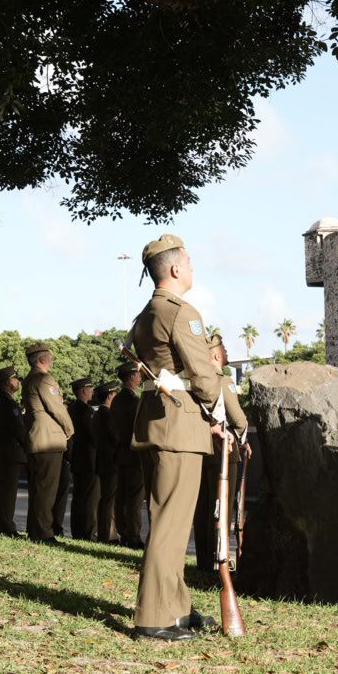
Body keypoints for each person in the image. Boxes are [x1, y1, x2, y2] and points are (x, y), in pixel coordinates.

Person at [128, 233, 225, 641]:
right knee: (170, 524)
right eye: (188, 261)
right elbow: (203, 375)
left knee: (168, 517)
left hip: (157, 420)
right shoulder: (182, 312)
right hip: (181, 426)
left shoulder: (147, 313)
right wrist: (219, 415)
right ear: (174, 268)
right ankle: (153, 615)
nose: (192, 267)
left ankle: (177, 605)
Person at [192, 333, 248, 574]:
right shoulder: (224, 382)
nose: (225, 352)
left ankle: (204, 560)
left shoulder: (194, 382)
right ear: (215, 354)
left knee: (203, 507)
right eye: (223, 348)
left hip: (200, 448)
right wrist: (244, 438)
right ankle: (219, 560)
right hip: (223, 449)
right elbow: (238, 419)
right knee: (222, 508)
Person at [23, 342, 74, 541]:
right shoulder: (44, 379)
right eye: (49, 357)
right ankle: (44, 532)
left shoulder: (29, 379)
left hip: (36, 439)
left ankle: (35, 530)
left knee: (38, 489)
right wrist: (70, 430)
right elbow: (57, 409)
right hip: (48, 440)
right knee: (47, 490)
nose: (51, 360)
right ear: (42, 359)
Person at [110, 360, 147, 548]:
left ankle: (123, 532)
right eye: (138, 374)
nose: (140, 377)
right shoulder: (134, 401)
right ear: (132, 377)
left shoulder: (116, 400)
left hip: (121, 453)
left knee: (122, 496)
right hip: (134, 454)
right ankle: (133, 535)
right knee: (134, 498)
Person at [0, 366, 27, 534]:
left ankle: (0, 524)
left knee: (2, 490)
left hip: (2, 452)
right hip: (9, 453)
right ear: (6, 383)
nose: (17, 381)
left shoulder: (0, 401)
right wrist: (28, 446)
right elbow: (18, 429)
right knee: (8, 492)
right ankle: (6, 526)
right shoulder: (7, 402)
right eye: (15, 378)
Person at [68, 378, 100, 540]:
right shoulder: (85, 410)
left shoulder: (73, 408)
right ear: (83, 391)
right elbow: (92, 434)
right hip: (88, 458)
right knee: (89, 498)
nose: (92, 392)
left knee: (79, 497)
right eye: (90, 389)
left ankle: (78, 530)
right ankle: (88, 532)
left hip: (78, 457)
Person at [94, 382, 122, 543]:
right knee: (109, 499)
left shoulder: (99, 414)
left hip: (104, 460)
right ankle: (107, 534)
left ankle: (107, 532)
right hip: (110, 460)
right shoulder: (107, 414)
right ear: (110, 396)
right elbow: (115, 437)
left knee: (106, 498)